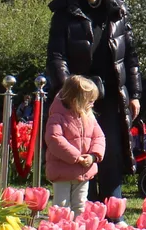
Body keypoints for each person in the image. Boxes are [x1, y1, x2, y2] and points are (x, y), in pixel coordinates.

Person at [45, 0, 140, 202]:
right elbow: (56, 57)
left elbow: (130, 55)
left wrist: (135, 94)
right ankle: (84, 211)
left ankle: (112, 210)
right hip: (77, 96)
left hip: (111, 93)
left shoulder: (117, 11)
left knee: (109, 151)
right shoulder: (64, 13)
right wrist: (68, 91)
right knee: (80, 151)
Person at [45, 75, 106, 213]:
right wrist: (77, 157)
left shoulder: (89, 117)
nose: (92, 104)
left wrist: (93, 156)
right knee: (61, 206)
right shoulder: (57, 116)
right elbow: (54, 139)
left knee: (80, 205)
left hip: (83, 171)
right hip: (62, 171)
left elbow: (99, 137)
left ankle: (78, 227)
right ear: (75, 101)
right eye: (89, 101)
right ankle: (60, 226)